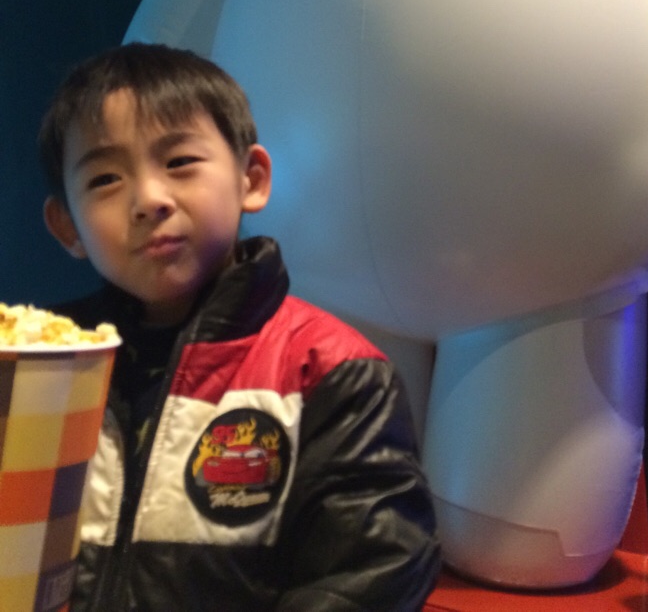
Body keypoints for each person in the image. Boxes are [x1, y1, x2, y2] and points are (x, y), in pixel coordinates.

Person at [39, 42, 440, 612]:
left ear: (250, 179)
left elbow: (376, 568)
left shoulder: (331, 370)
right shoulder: (42, 365)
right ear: (67, 227)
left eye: (179, 162)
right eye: (104, 179)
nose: (148, 199)